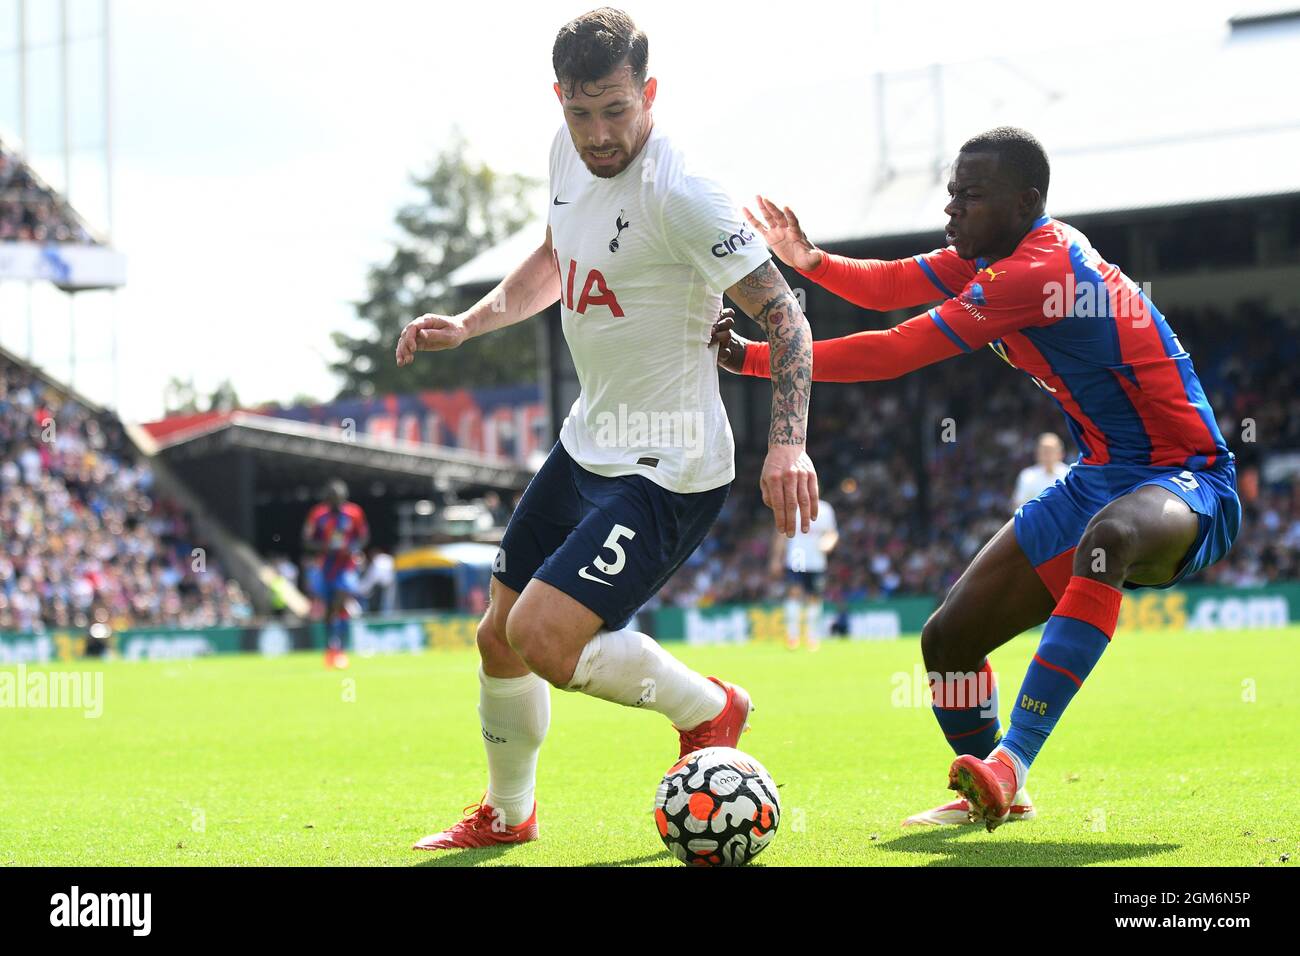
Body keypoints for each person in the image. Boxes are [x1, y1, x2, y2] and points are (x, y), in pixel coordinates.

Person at [710, 126, 1240, 831]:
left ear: (1026, 202)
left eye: (972, 195)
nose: (952, 209)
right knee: (948, 643)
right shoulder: (995, 257)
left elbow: (894, 351)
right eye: (952, 192)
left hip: (1189, 480)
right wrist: (809, 260)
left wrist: (754, 359)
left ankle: (1011, 761)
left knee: (1109, 537)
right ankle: (994, 793)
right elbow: (891, 284)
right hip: (1101, 476)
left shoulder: (1039, 271)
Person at [394, 7, 817, 852]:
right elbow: (558, 256)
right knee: (496, 639)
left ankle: (708, 707)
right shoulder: (567, 152)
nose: (597, 135)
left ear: (649, 93)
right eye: (580, 113)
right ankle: (509, 817)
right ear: (559, 99)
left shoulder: (685, 191)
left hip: (669, 466)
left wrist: (787, 442)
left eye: (616, 111)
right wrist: (472, 323)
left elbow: (787, 318)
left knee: (543, 638)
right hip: (589, 441)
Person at [301, 480, 369, 669]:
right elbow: (307, 540)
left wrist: (352, 548)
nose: (336, 502)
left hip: (346, 565)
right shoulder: (318, 514)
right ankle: (332, 647)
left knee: (342, 596)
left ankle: (340, 648)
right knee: (330, 609)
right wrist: (324, 547)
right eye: (333, 498)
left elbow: (363, 536)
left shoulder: (354, 512)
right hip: (326, 565)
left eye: (339, 498)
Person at [770, 499, 838, 650]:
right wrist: (776, 558)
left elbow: (831, 533)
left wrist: (829, 543)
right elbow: (781, 534)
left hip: (816, 561)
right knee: (794, 594)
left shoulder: (825, 509)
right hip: (797, 557)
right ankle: (792, 636)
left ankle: (811, 636)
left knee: (814, 599)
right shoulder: (792, 507)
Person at [1012, 432, 1070, 509]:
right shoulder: (1027, 476)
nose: (1047, 454)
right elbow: (1018, 506)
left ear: (1060, 453)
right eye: (1044, 450)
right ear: (1037, 453)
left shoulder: (1069, 475)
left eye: (1050, 450)